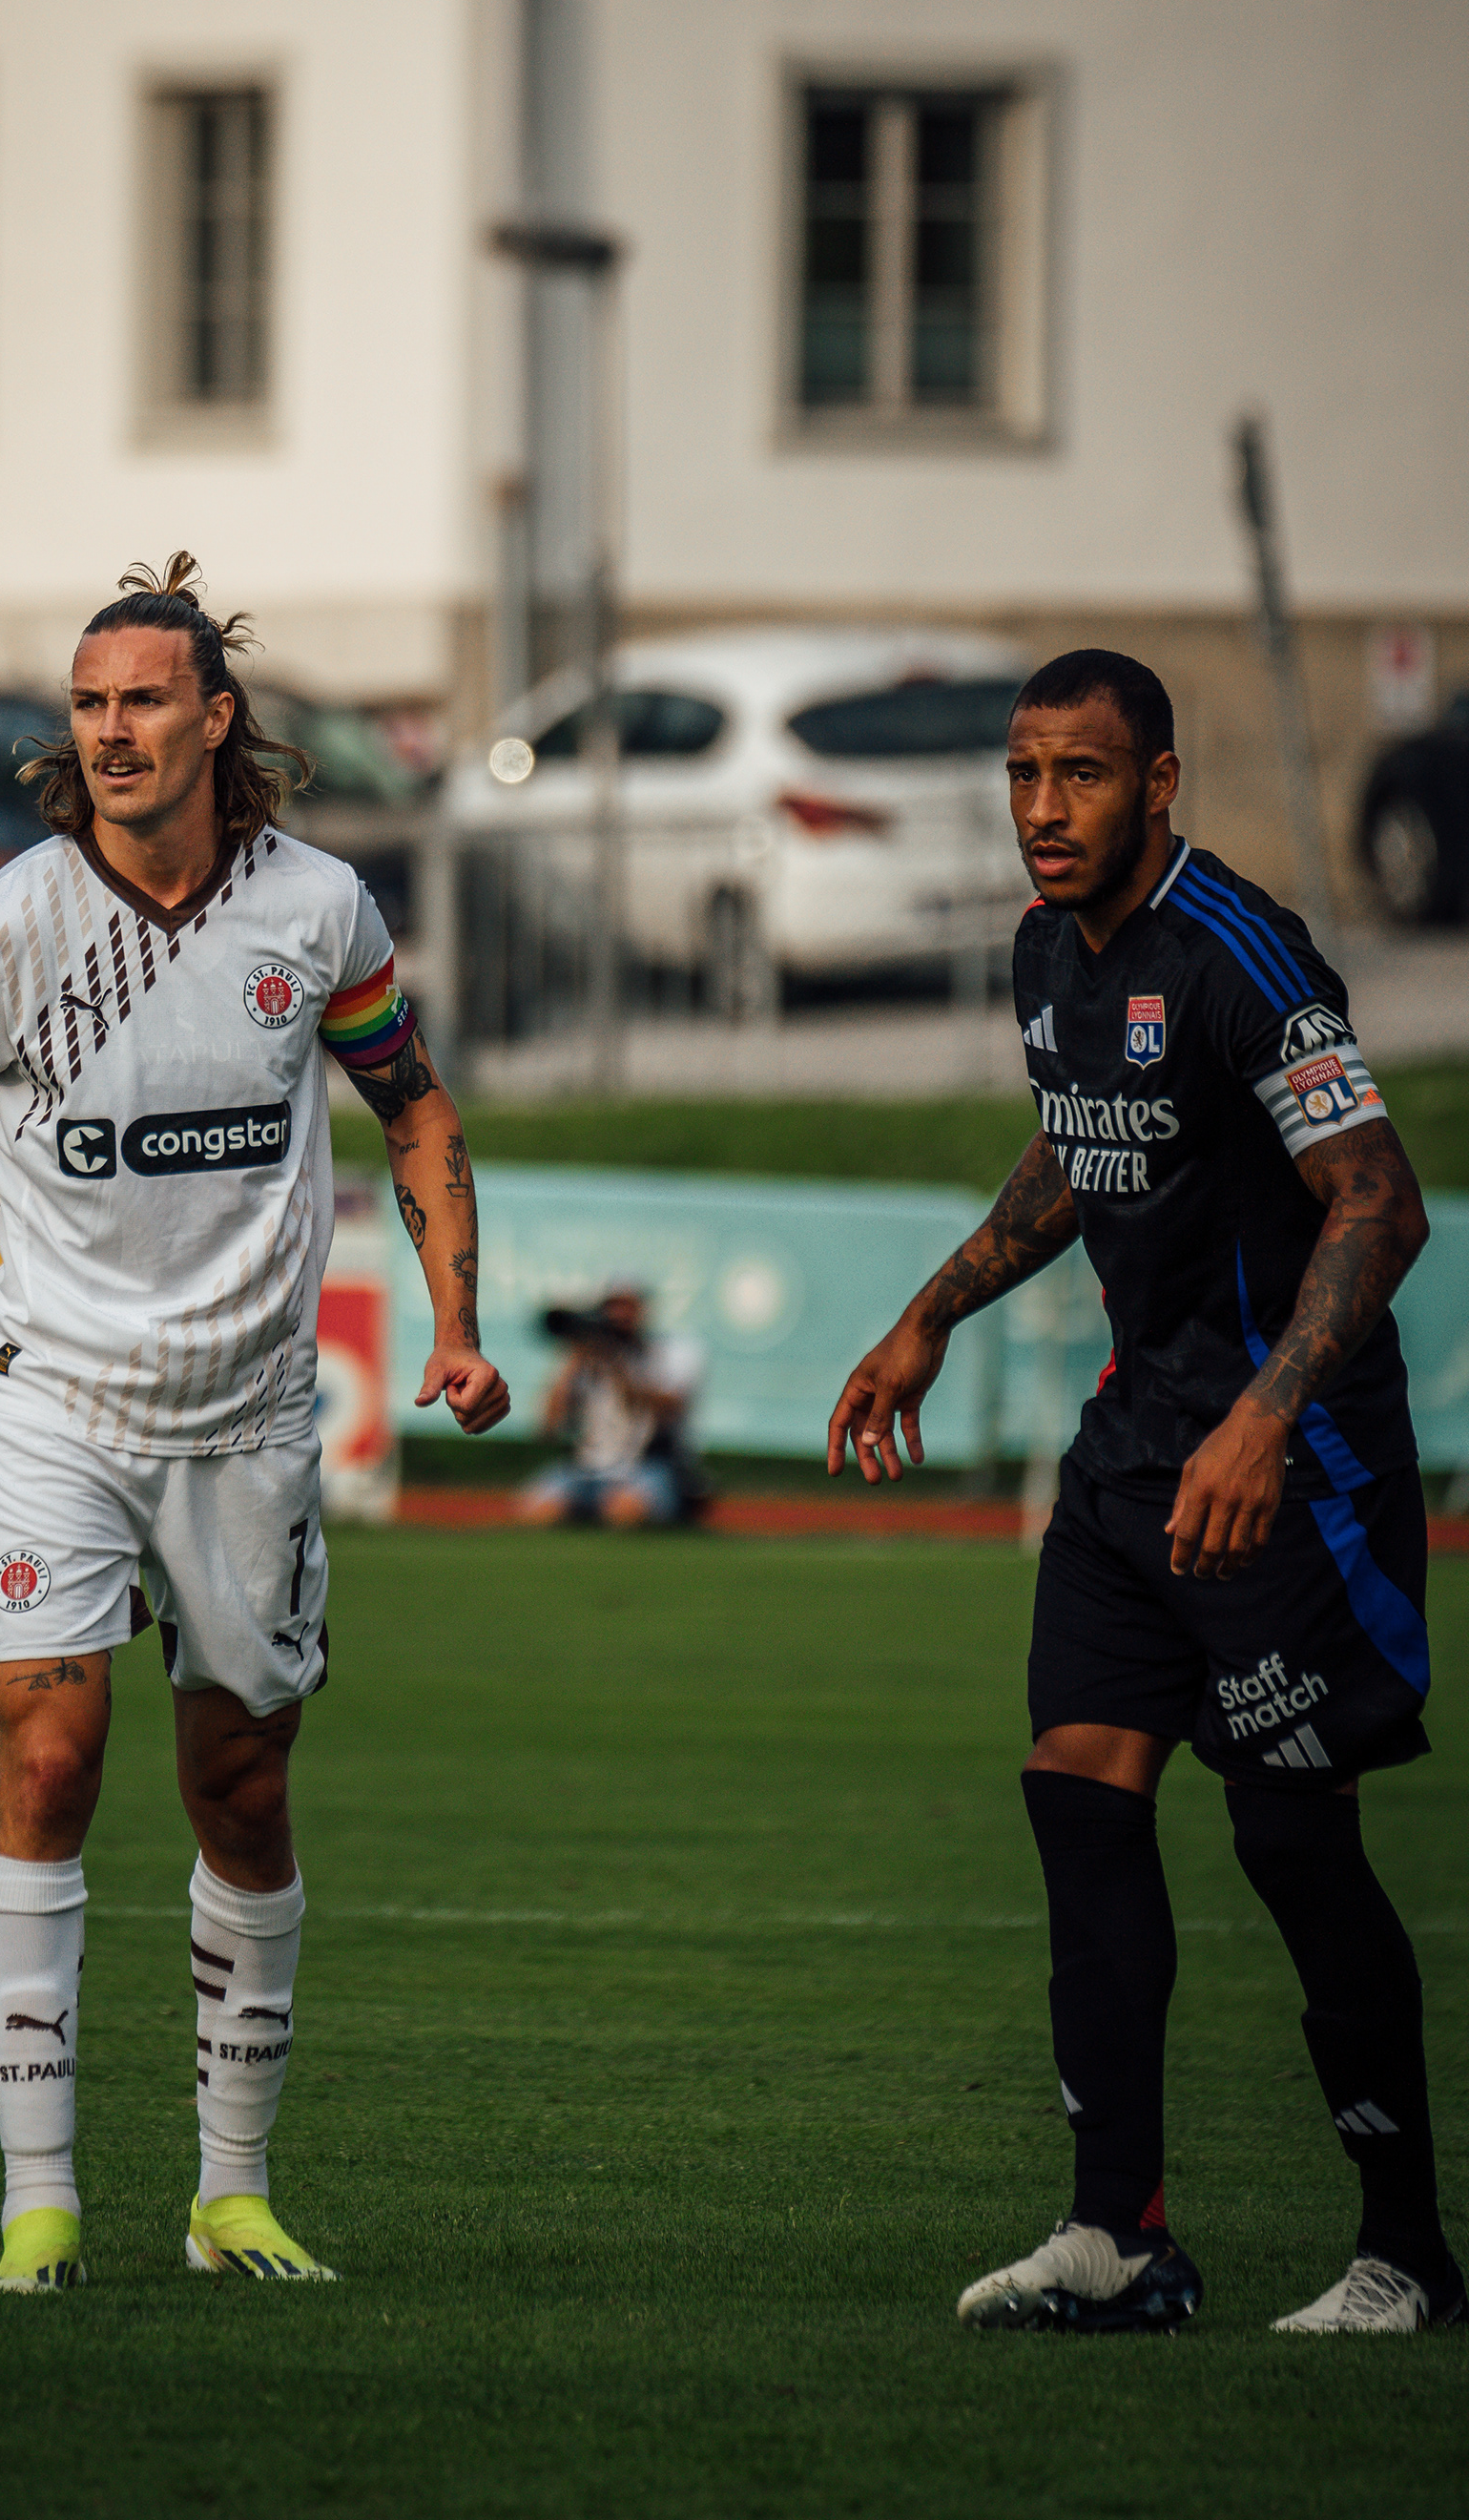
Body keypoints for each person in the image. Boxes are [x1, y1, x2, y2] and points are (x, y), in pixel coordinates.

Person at [0, 555, 508, 2295]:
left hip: (252, 1423)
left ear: (216, 719)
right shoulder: (6, 927)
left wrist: (459, 1322)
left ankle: (230, 2194)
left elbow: (414, 1108)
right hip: (51, 1409)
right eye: (89, 702)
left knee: (241, 1787)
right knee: (48, 1758)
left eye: (141, 701)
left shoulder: (319, 913)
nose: (109, 731)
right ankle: (37, 2205)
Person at [828, 648, 1460, 2338]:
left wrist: (1260, 1426)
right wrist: (930, 1313)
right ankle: (1119, 2239)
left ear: (1158, 784)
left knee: (1289, 1840)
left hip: (1287, 1462)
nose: (1044, 809)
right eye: (1025, 774)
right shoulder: (1049, 946)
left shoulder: (1243, 951)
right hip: (1131, 1458)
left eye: (1082, 776)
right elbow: (1077, 1141)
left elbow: (1380, 1205)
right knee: (1079, 1798)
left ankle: (1408, 2253)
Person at [520, 1281, 707, 1527]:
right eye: (612, 1307)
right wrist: (573, 1359)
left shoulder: (667, 1352)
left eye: (627, 1306)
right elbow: (547, 1428)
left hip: (645, 1466)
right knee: (538, 1513)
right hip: (586, 1468)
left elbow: (668, 1408)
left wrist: (617, 1364)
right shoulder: (582, 1359)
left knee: (625, 1511)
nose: (619, 1315)